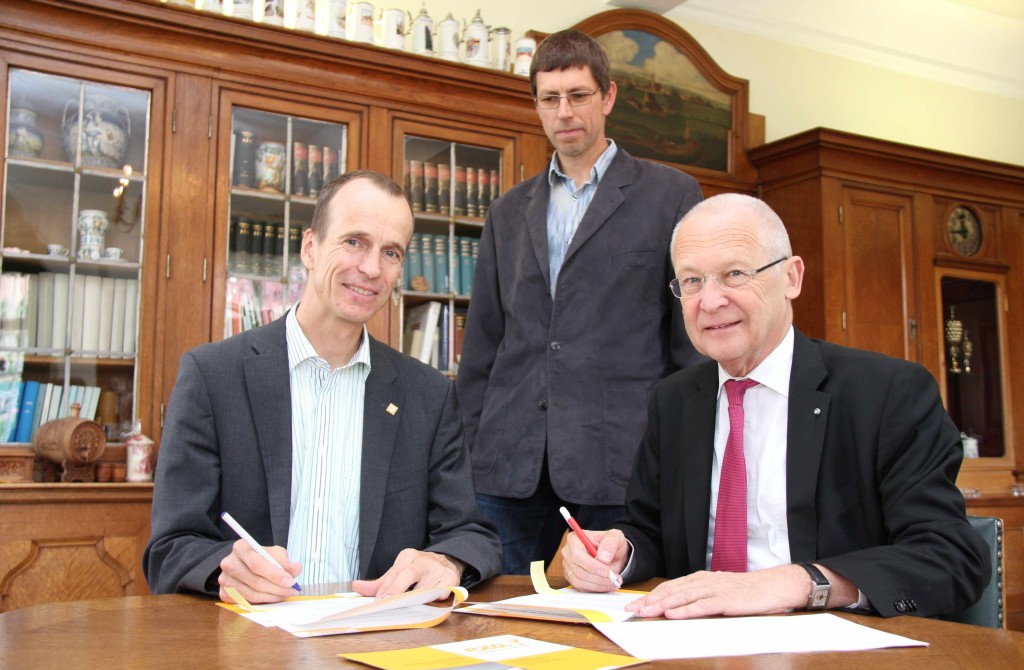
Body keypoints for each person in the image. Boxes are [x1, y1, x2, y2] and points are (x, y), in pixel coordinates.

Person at [561, 193, 990, 619]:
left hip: (833, 650)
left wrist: (803, 582)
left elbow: (950, 557)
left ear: (791, 278)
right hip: (690, 644)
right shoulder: (673, 400)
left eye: (733, 274)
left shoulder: (887, 393)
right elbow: (651, 530)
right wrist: (620, 550)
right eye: (691, 281)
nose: (709, 302)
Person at [144, 170, 501, 604]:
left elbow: (469, 532)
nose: (371, 268)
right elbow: (169, 549)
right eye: (354, 242)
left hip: (376, 648)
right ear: (310, 247)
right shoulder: (212, 375)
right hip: (248, 653)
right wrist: (223, 569)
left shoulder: (428, 394)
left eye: (390, 253)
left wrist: (447, 562)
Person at [456, 29, 704, 575]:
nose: (564, 112)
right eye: (550, 98)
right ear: (537, 105)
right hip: (508, 470)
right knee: (499, 620)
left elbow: (690, 346)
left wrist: (679, 458)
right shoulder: (506, 212)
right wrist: (474, 452)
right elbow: (483, 350)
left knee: (608, 628)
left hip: (617, 464)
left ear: (608, 97)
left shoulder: (671, 196)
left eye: (578, 95)